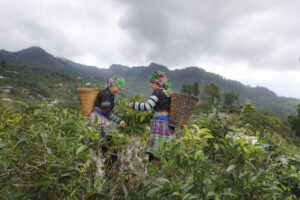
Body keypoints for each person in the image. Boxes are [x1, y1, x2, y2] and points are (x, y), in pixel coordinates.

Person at [128, 70, 175, 167]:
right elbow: (158, 107)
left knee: (156, 149)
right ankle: (164, 171)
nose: (150, 85)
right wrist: (149, 117)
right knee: (165, 147)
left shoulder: (157, 92)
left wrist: (134, 105)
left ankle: (153, 172)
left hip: (160, 124)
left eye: (151, 82)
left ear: (157, 83)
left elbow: (148, 106)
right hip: (168, 123)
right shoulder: (167, 93)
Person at [88, 76, 126, 164]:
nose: (119, 91)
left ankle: (108, 159)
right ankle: (111, 160)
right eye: (118, 88)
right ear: (112, 85)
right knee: (110, 136)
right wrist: (118, 121)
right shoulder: (106, 94)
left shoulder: (110, 94)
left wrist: (118, 113)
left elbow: (109, 108)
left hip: (102, 117)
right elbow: (106, 111)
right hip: (98, 118)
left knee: (108, 137)